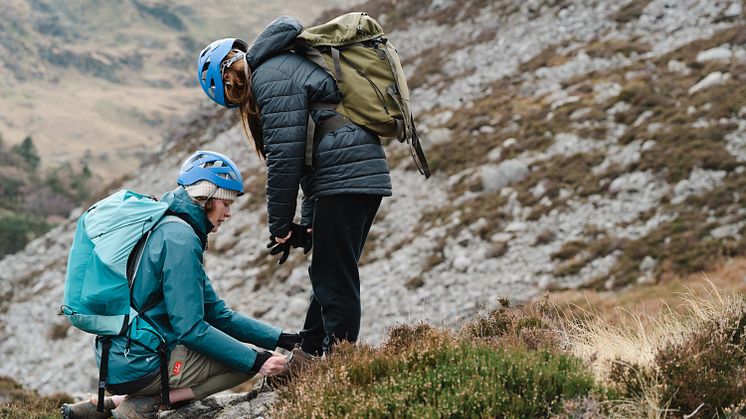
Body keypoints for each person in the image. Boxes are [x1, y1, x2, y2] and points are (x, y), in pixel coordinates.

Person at [197, 16, 392, 360]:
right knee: (328, 270)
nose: (236, 97)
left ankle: (340, 365)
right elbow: (308, 155)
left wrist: (280, 224)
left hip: (346, 174)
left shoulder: (270, 76)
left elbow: (285, 159)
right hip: (350, 172)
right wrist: (309, 221)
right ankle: (312, 348)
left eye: (228, 90)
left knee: (335, 278)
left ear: (226, 75)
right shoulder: (280, 67)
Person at [62, 150, 300, 419]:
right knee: (242, 364)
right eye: (226, 203)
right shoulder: (181, 240)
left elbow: (217, 313)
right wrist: (258, 361)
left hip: (120, 358)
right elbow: (191, 330)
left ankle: (109, 404)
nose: (229, 213)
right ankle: (147, 405)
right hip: (143, 363)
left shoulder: (168, 226)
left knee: (246, 355)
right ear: (206, 198)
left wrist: (283, 339)